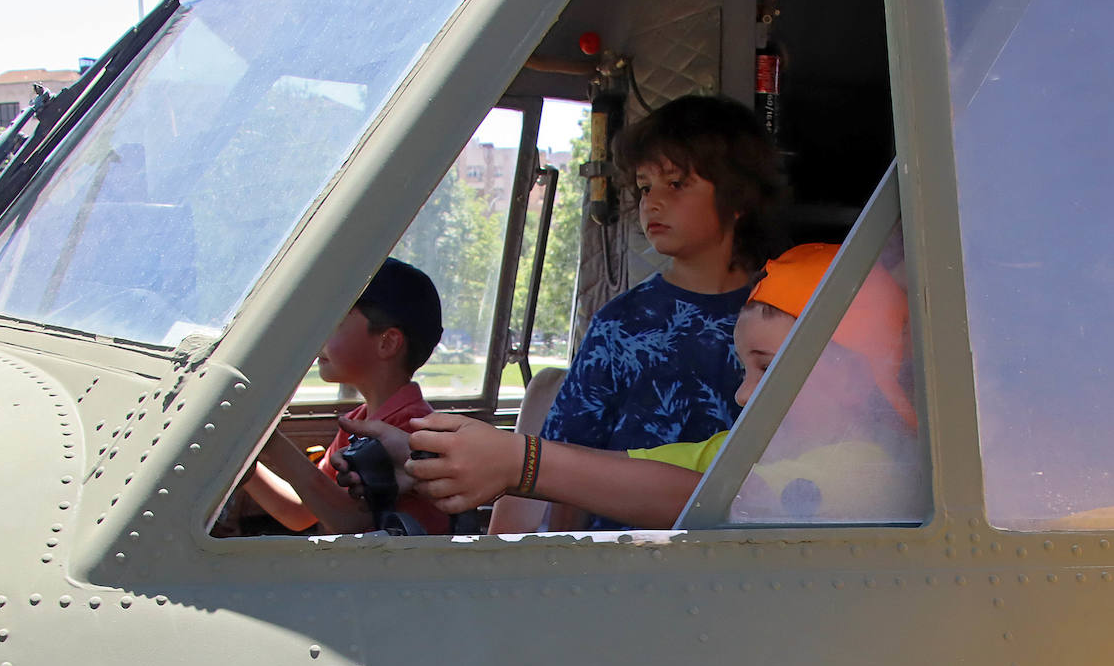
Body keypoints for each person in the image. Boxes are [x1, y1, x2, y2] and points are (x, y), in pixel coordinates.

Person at [342, 243, 919, 530]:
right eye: (744, 369)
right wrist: (421, 459)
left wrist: (521, 462)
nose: (742, 396)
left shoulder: (872, 472)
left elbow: (698, 501)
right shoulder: (738, 453)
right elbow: (630, 471)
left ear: (849, 377)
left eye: (766, 368)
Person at [494, 93, 782, 532]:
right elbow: (564, 465)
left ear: (737, 197)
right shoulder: (620, 325)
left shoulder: (783, 313)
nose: (652, 203)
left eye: (676, 184)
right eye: (646, 187)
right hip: (624, 561)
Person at [242, 257, 449, 534]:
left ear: (387, 342)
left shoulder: (413, 430)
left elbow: (352, 523)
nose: (320, 335)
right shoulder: (358, 422)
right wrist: (244, 462)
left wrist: (268, 440)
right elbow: (301, 513)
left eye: (336, 321)